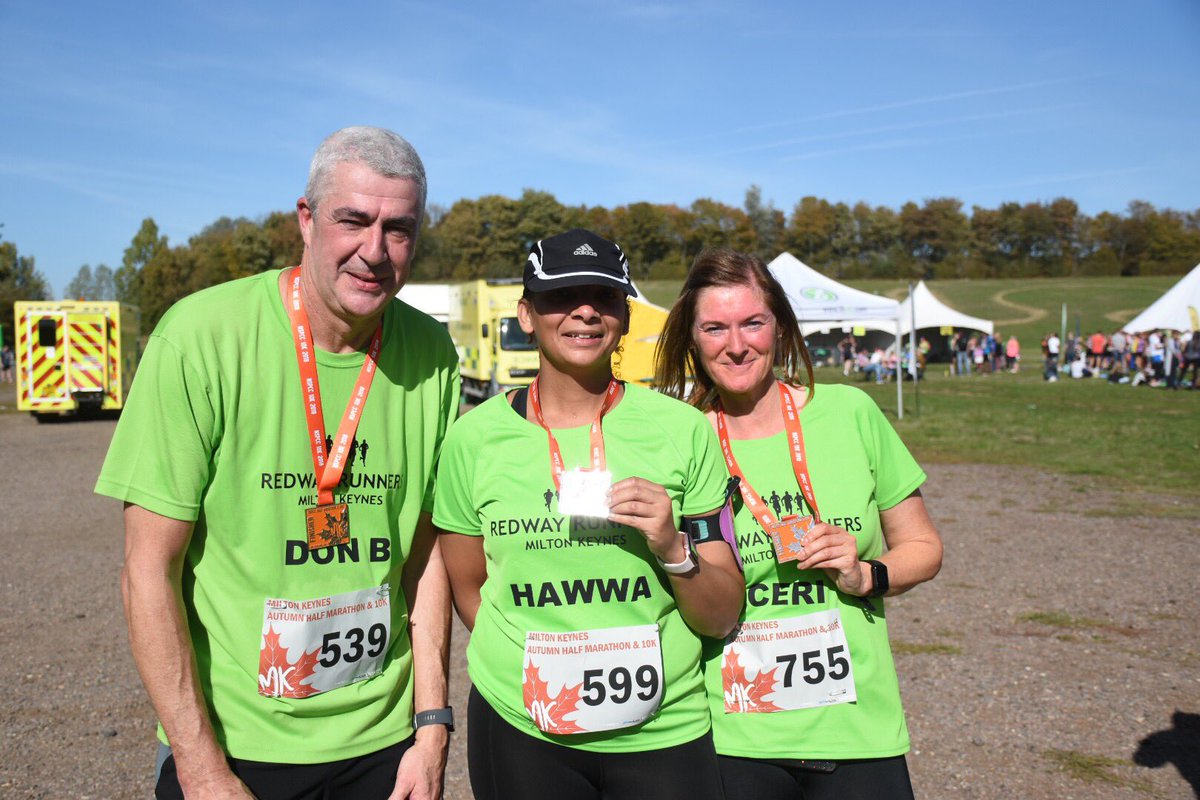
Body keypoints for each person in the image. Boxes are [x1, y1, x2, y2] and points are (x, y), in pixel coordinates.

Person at [94, 127, 459, 800]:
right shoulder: (201, 338)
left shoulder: (432, 353)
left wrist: (432, 727)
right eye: (353, 220)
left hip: (383, 747)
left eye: (398, 229)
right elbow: (147, 571)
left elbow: (427, 556)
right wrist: (201, 769)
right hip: (236, 751)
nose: (373, 251)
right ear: (306, 218)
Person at [434, 229, 744, 800]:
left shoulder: (683, 430)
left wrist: (675, 550)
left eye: (603, 297)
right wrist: (547, 661)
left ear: (624, 317)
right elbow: (471, 591)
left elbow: (722, 614)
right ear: (526, 314)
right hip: (524, 728)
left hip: (662, 731)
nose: (584, 311)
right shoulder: (471, 440)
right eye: (561, 296)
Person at [655, 249, 943, 800]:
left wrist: (866, 574)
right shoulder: (678, 438)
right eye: (715, 328)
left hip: (858, 729)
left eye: (752, 323)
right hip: (733, 738)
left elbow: (924, 546)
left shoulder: (850, 413)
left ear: (781, 328)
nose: (736, 345)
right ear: (692, 340)